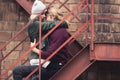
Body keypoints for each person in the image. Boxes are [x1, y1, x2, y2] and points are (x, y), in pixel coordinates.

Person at [12, 1, 70, 80]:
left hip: (55, 66)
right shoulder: (42, 27)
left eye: (46, 17)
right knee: (21, 72)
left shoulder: (59, 32)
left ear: (52, 17)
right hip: (48, 64)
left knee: (18, 71)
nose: (44, 19)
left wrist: (35, 50)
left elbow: (50, 54)